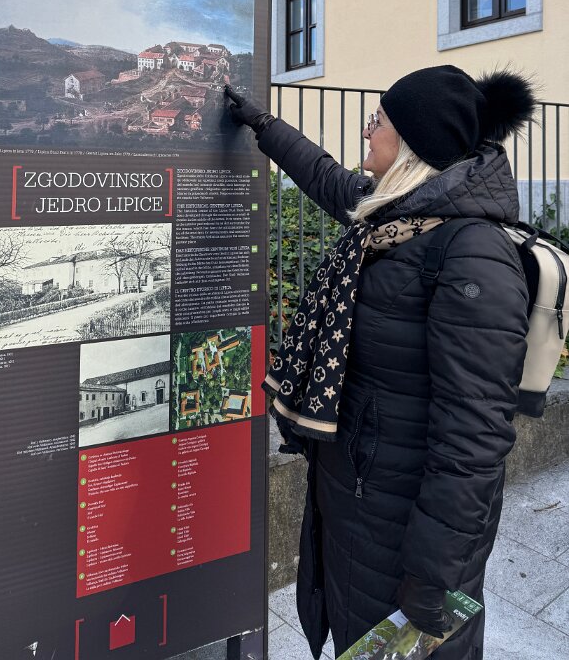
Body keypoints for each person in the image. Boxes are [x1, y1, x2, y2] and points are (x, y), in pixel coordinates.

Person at [224, 65, 537, 660]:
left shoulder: (472, 253)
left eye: (379, 121)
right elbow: (326, 179)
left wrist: (435, 574)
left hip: (406, 530)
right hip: (361, 497)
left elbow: (474, 436)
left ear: (416, 143)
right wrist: (262, 125)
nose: (367, 131)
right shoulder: (398, 216)